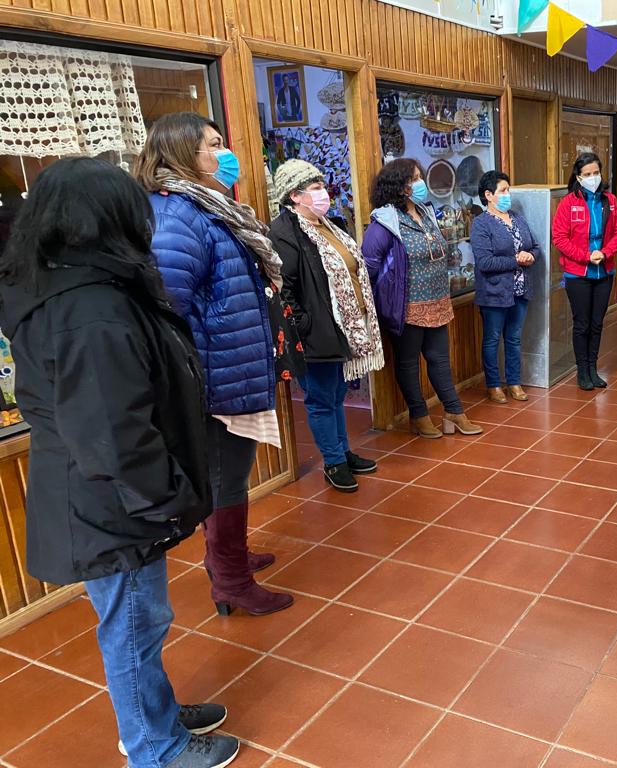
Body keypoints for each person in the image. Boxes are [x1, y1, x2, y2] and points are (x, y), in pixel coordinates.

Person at [0, 158, 238, 768]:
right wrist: (168, 498)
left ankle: (155, 714)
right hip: (113, 501)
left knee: (139, 621)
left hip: (108, 494)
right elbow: (112, 435)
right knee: (134, 625)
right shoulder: (89, 309)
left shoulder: (74, 286)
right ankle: (153, 747)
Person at [136, 112, 293, 617]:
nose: (226, 154)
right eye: (214, 144)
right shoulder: (176, 216)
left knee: (231, 474)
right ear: (183, 152)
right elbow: (168, 309)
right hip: (212, 376)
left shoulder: (206, 206)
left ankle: (228, 556)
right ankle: (230, 580)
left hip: (230, 366)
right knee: (225, 478)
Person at [269, 159, 384, 492]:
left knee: (335, 394)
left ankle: (343, 452)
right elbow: (284, 287)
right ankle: (333, 463)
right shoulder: (284, 233)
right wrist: (304, 325)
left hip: (339, 328)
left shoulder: (328, 225)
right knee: (320, 398)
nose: (324, 193)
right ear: (294, 195)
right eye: (316, 188)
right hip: (314, 332)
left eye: (322, 186)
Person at [361, 158, 482, 438]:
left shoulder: (426, 212)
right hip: (407, 306)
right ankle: (419, 416)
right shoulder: (385, 222)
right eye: (413, 179)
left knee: (439, 359)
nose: (420, 183)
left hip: (438, 300)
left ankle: (454, 412)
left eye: (419, 177)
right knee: (408, 363)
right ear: (397, 186)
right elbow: (369, 267)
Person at [552, 152, 617, 390]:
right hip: (578, 274)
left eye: (596, 173)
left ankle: (593, 368)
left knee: (597, 323)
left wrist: (605, 252)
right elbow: (559, 238)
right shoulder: (568, 203)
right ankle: (582, 371)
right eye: (587, 174)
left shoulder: (610, 201)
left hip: (604, 271)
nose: (593, 177)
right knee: (582, 323)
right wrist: (586, 256)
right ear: (578, 177)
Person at [470, 170, 540, 403]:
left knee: (514, 338)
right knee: (492, 339)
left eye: (508, 190)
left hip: (520, 290)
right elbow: (484, 262)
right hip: (494, 293)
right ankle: (493, 385)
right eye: (503, 190)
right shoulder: (481, 224)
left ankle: (514, 382)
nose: (508, 194)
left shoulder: (517, 217)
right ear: (488, 195)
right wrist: (516, 260)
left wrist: (531, 256)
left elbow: (534, 246)